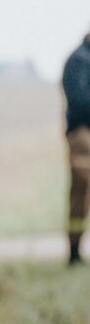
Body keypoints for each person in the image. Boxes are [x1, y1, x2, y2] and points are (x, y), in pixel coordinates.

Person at [61, 33, 90, 264]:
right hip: (82, 134)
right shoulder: (80, 60)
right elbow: (80, 101)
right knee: (81, 191)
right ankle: (74, 250)